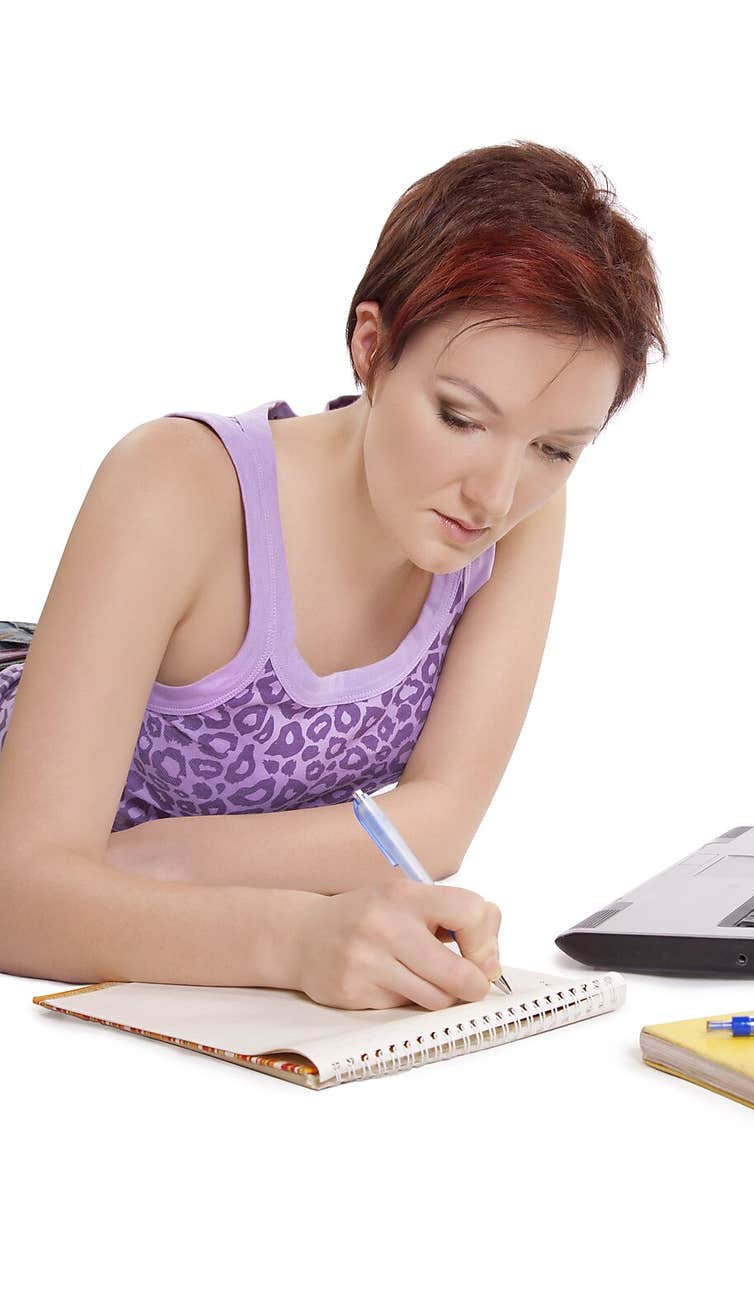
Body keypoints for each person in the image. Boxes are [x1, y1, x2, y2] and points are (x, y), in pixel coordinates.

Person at [0, 139, 667, 1009]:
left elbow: (440, 822)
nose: (496, 495)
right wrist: (290, 935)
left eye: (554, 448)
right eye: (461, 417)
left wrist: (165, 862)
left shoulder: (520, 515)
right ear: (370, 344)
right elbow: (19, 894)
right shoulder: (180, 486)